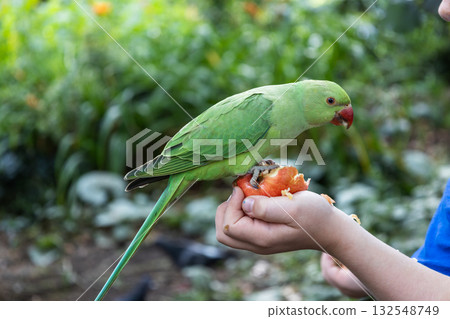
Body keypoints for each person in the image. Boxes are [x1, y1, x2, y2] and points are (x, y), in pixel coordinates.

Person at [215, 1, 450, 301]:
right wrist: (367, 270)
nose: (443, 8)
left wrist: (337, 235)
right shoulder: (267, 107)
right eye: (330, 103)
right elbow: (439, 270)